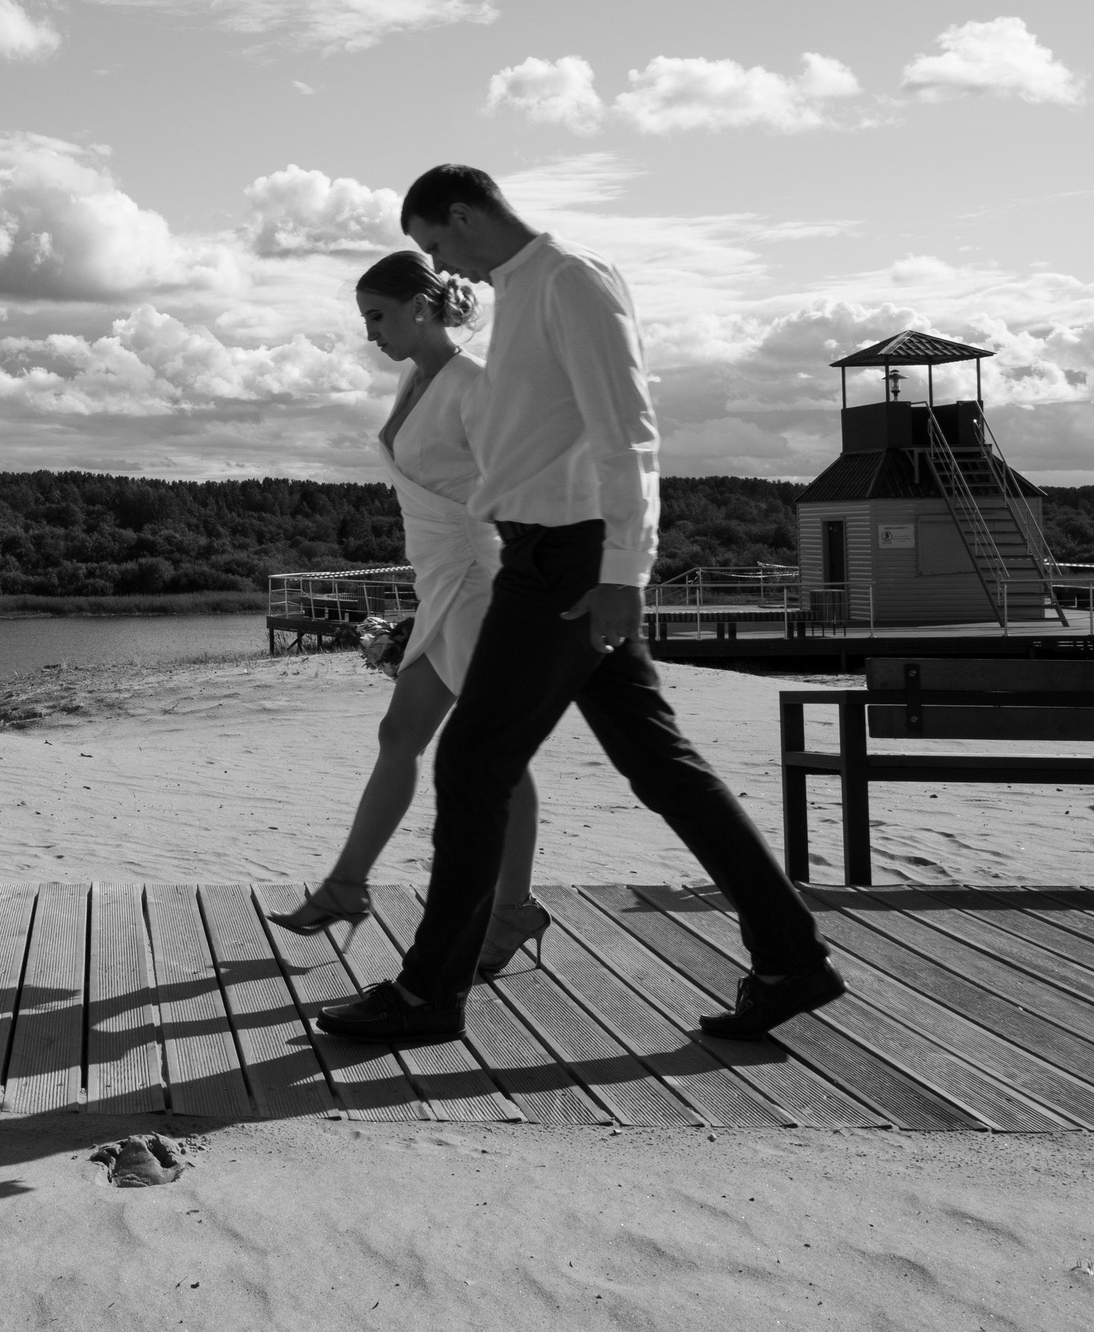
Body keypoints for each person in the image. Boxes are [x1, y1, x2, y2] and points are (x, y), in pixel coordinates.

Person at [319, 165, 844, 1046]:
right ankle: (793, 956)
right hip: (546, 554)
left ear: (463, 214)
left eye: (437, 244)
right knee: (662, 767)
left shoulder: (571, 280)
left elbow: (630, 430)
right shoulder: (522, 292)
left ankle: (427, 993)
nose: (443, 267)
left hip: (568, 562)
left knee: (473, 764)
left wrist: (623, 573)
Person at [265, 251, 547, 977]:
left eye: (378, 315)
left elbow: (519, 486)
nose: (369, 333)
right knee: (402, 733)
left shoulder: (474, 385)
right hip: (442, 585)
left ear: (421, 306)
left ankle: (510, 906)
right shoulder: (414, 377)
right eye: (365, 318)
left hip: (483, 584)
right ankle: (348, 884)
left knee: (497, 758)